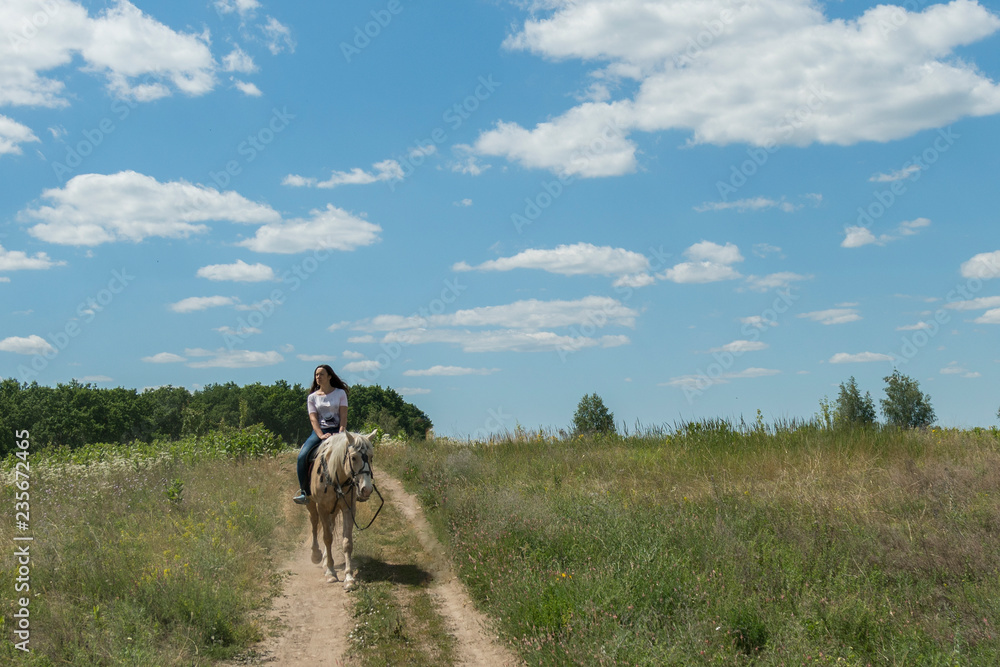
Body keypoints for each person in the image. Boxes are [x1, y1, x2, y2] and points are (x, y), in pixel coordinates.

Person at [293, 364, 349, 505]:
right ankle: (304, 492)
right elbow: (313, 419)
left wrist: (341, 433)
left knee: (357, 454)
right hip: (320, 431)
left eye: (321, 374)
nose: (318, 377)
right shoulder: (312, 397)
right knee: (302, 456)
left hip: (338, 430)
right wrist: (320, 435)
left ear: (329, 376)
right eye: (316, 375)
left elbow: (343, 416)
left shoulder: (340, 393)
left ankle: (357, 489)